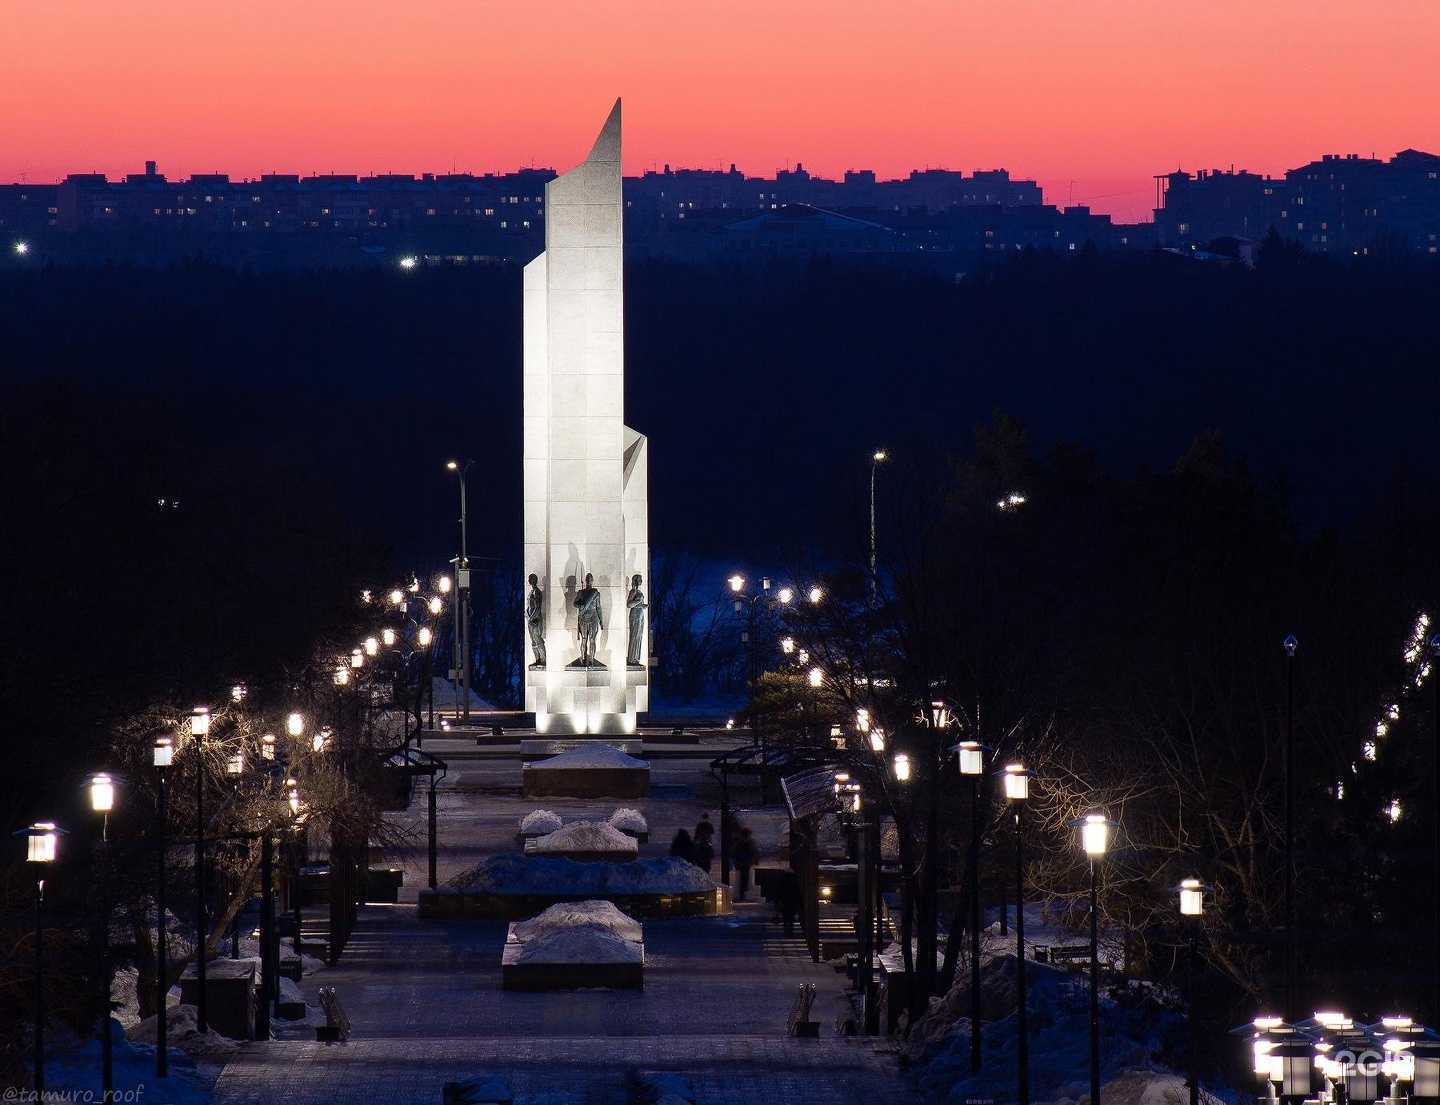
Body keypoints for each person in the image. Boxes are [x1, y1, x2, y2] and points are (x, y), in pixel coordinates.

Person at [732, 826, 757, 901]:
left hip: (742, 863)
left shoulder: (739, 842)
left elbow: (734, 853)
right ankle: (743, 895)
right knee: (744, 879)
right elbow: (753, 852)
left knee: (742, 879)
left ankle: (742, 895)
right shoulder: (748, 842)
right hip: (745, 863)